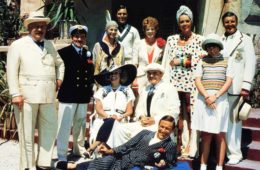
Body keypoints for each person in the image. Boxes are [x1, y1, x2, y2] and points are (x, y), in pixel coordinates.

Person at [6, 11, 64, 170]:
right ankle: (28, 166)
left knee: (50, 130)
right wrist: (15, 94)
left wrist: (59, 79)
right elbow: (11, 71)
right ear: (29, 27)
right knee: (26, 133)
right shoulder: (18, 45)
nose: (40, 29)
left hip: (47, 95)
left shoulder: (50, 44)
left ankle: (44, 163)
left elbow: (60, 64)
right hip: (26, 96)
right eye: (36, 26)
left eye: (42, 27)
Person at [161, 5, 205, 158]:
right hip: (174, 82)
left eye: (187, 21)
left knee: (192, 115)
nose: (185, 24)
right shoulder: (172, 40)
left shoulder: (200, 39)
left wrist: (179, 60)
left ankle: (191, 148)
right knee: (176, 115)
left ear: (191, 22)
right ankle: (175, 146)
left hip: (192, 84)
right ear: (178, 24)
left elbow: (201, 59)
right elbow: (167, 62)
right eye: (182, 22)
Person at [111, 63, 180, 147]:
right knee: (120, 129)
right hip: (143, 123)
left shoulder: (169, 88)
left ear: (161, 74)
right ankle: (121, 155)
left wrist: (154, 120)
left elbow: (174, 112)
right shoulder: (145, 89)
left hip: (159, 125)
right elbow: (138, 109)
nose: (151, 75)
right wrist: (141, 117)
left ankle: (136, 157)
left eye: (154, 73)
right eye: (149, 73)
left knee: (139, 133)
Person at [55, 25, 94, 168]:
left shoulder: (87, 53)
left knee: (80, 125)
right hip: (68, 94)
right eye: (77, 36)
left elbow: (89, 73)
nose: (79, 39)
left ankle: (78, 149)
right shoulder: (63, 52)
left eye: (82, 37)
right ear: (72, 37)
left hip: (82, 95)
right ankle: (61, 154)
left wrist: (91, 88)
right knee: (64, 126)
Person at [191, 34, 233, 170]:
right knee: (206, 134)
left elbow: (228, 81)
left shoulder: (228, 60)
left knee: (220, 134)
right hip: (204, 99)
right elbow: (198, 80)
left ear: (219, 47)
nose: (211, 49)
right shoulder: (201, 61)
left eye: (214, 46)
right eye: (209, 47)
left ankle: (220, 167)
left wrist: (215, 95)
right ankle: (203, 166)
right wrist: (207, 97)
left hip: (220, 100)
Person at [77, 115, 177, 170]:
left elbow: (170, 162)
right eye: (162, 127)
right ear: (158, 126)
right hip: (122, 160)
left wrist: (163, 164)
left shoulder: (170, 145)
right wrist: (109, 151)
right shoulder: (145, 133)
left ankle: (73, 166)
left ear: (172, 131)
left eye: (167, 129)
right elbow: (127, 145)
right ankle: (74, 166)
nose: (163, 130)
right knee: (106, 161)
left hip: (137, 167)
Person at [221, 11, 256, 165]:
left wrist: (246, 86)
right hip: (220, 87)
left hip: (236, 87)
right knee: (222, 121)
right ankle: (223, 150)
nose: (229, 24)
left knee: (234, 122)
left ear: (236, 22)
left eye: (232, 21)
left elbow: (250, 63)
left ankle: (235, 153)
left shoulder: (245, 40)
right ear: (224, 23)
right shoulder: (219, 39)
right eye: (227, 22)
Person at [88, 64, 136, 156]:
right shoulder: (102, 90)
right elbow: (98, 109)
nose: (113, 75)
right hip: (103, 117)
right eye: (111, 74)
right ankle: (103, 150)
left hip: (120, 118)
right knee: (110, 121)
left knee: (113, 122)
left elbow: (130, 111)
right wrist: (109, 116)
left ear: (120, 75)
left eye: (116, 73)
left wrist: (121, 116)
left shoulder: (127, 90)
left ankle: (95, 147)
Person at [133, 16, 166, 94]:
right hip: (140, 77)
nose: (150, 31)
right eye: (147, 29)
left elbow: (164, 63)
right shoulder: (138, 43)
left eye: (152, 29)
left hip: (155, 78)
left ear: (156, 30)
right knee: (139, 101)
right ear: (144, 30)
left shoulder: (161, 44)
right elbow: (134, 63)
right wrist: (134, 80)